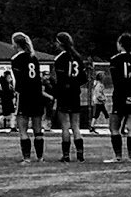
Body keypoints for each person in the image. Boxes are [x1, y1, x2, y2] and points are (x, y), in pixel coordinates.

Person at [106, 32, 131, 162]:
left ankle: (118, 156)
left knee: (114, 127)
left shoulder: (115, 60)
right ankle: (130, 157)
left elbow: (116, 80)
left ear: (121, 44)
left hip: (120, 96)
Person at [50, 32, 87, 162]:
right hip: (75, 94)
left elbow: (60, 79)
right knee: (76, 126)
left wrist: (57, 88)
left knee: (65, 125)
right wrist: (75, 84)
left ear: (60, 43)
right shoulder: (77, 57)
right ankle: (80, 155)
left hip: (64, 94)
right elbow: (84, 78)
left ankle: (66, 155)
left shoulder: (60, 58)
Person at [10, 32, 45, 163]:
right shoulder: (33, 57)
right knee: (37, 128)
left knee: (23, 128)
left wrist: (15, 92)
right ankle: (40, 157)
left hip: (24, 95)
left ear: (16, 44)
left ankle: (26, 157)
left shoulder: (16, 59)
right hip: (36, 94)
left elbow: (18, 80)